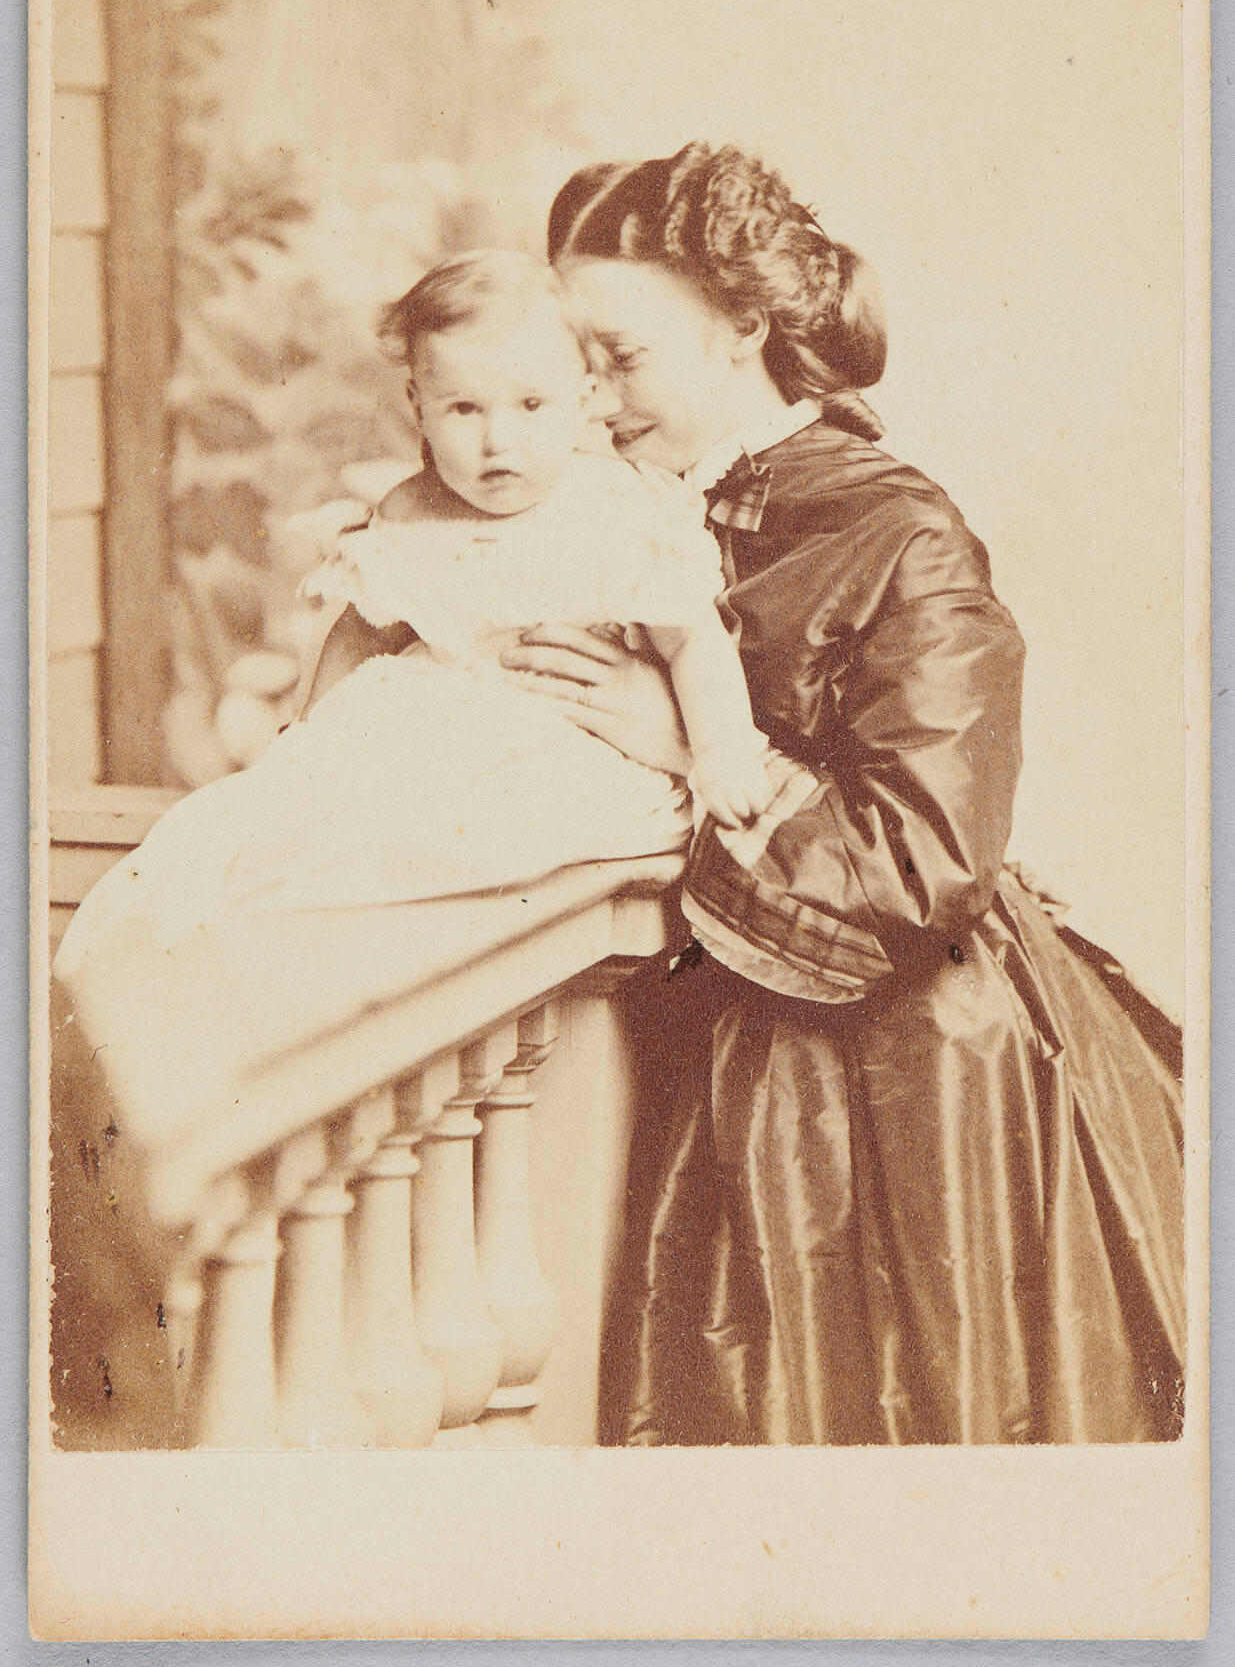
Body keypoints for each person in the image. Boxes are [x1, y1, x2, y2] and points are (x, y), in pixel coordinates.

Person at [500, 142, 1185, 1446]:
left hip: (897, 1082)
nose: (585, 403)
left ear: (745, 323)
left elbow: (921, 863)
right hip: (696, 1049)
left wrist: (696, 750)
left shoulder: (897, 533)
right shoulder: (607, 514)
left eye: (621, 357)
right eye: (570, 362)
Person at [53, 249, 774, 987]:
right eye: (464, 408)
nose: (498, 440)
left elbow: (693, 643)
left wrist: (721, 751)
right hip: (419, 736)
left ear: (585, 396)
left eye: (531, 406)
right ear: (417, 405)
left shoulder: (619, 508)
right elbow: (361, 632)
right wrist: (307, 737)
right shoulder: (408, 511)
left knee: (456, 863)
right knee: (269, 836)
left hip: (554, 740)